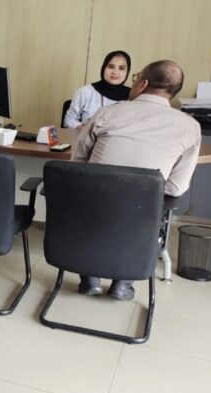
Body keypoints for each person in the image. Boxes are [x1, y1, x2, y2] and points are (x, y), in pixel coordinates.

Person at [71, 59, 201, 300]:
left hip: (91, 210)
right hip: (141, 218)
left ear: (142, 84)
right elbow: (175, 188)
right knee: (149, 211)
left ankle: (89, 279)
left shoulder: (107, 113)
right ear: (174, 91)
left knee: (91, 204)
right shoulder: (190, 127)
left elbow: (77, 164)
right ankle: (123, 282)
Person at [64, 50, 132, 129]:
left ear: (127, 72)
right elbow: (69, 120)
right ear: (103, 68)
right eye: (111, 67)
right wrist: (86, 130)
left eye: (121, 68)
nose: (115, 72)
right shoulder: (85, 92)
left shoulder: (133, 96)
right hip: (89, 136)